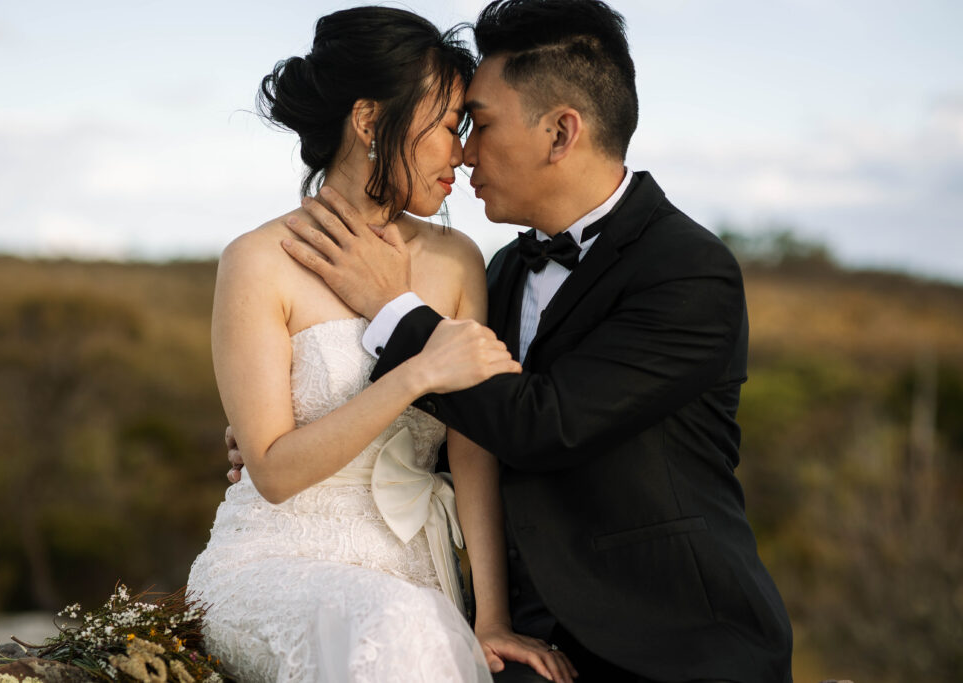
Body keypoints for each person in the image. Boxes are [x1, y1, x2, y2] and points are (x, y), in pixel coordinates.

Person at [244, 1, 796, 681]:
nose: (466, 149)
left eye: (481, 123)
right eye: (456, 126)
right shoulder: (501, 269)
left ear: (561, 133)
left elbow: (542, 423)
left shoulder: (687, 271)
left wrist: (392, 307)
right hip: (525, 630)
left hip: (670, 640)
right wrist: (298, 437)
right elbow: (459, 430)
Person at [187, 7, 574, 683]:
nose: (459, 151)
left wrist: (490, 616)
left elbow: (472, 449)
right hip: (275, 562)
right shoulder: (257, 261)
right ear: (368, 121)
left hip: (414, 567)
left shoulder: (457, 262)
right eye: (446, 127)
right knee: (393, 626)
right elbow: (272, 472)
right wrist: (415, 372)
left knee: (409, 622)